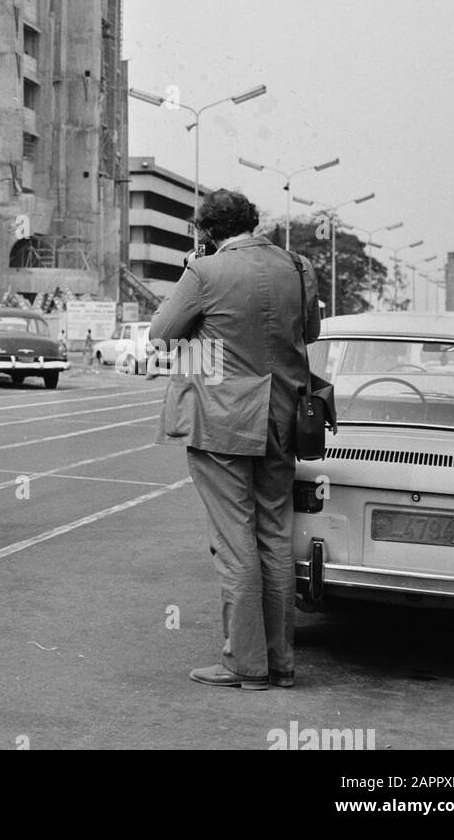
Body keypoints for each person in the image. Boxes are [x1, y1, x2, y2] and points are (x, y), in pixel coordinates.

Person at [151, 189, 320, 691]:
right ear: (253, 221)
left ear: (206, 230)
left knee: (235, 541)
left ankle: (245, 666)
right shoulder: (297, 266)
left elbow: (161, 336)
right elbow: (309, 331)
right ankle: (280, 663)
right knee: (274, 535)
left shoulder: (204, 273)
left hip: (224, 420)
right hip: (286, 417)